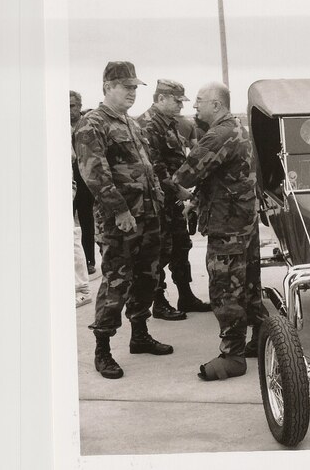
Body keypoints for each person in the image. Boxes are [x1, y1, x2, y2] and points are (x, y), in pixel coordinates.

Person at [74, 61, 171, 380]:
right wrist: (119, 210)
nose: (132, 93)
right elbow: (94, 173)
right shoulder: (93, 124)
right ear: (107, 88)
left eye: (134, 88)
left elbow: (147, 168)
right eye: (126, 87)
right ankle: (102, 349)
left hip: (147, 215)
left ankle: (139, 335)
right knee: (116, 281)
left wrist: (158, 201)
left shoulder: (131, 123)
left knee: (147, 276)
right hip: (120, 221)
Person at [172, 81, 270, 381]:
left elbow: (186, 174)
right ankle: (262, 341)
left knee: (225, 291)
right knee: (250, 287)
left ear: (216, 104)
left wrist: (169, 183)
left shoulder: (219, 134)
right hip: (243, 223)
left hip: (227, 227)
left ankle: (233, 356)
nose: (194, 106)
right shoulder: (238, 127)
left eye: (200, 101)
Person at [136, 80, 212, 319]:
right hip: (159, 200)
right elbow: (155, 168)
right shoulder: (147, 125)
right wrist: (178, 190)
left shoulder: (169, 124)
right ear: (160, 99)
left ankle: (185, 295)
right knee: (160, 251)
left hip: (173, 200)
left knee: (181, 246)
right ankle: (158, 302)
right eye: (177, 100)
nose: (181, 104)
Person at [71, 91, 96, 275]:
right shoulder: (58, 125)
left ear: (79, 106)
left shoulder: (86, 125)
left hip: (85, 179)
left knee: (86, 221)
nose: (69, 110)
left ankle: (89, 260)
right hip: (67, 179)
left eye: (72, 106)